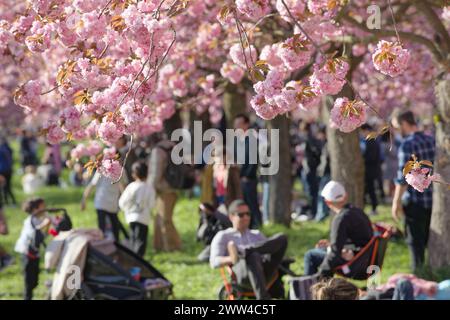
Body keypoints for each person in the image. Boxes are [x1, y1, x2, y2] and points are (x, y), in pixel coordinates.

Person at [209, 199, 288, 300]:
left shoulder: (256, 234)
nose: (246, 217)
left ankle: (246, 251)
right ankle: (263, 298)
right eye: (241, 215)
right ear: (231, 217)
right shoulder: (224, 236)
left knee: (282, 238)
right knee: (252, 256)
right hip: (242, 274)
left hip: (264, 270)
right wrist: (232, 258)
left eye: (248, 214)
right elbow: (214, 262)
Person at [391, 110, 435, 272]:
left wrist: (396, 203)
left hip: (416, 201)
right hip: (434, 201)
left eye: (396, 126)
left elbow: (402, 177)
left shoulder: (407, 144)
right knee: (431, 241)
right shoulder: (432, 139)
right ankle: (432, 270)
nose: (396, 131)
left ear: (404, 123)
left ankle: (419, 273)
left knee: (415, 243)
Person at [303, 181, 373, 277]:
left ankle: (309, 287)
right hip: (364, 259)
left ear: (327, 202)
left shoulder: (340, 219)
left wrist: (319, 275)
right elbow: (359, 240)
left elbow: (334, 255)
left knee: (310, 255)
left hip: (354, 265)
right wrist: (330, 245)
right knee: (323, 250)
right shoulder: (358, 212)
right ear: (345, 196)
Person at [148, 138, 182, 251]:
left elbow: (156, 173)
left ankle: (173, 246)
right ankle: (159, 245)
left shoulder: (158, 151)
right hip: (173, 187)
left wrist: (149, 188)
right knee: (160, 217)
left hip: (163, 189)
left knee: (164, 219)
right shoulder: (173, 147)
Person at [15, 198, 51, 300]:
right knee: (29, 282)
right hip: (27, 255)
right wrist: (44, 224)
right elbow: (33, 233)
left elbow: (41, 236)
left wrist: (48, 226)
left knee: (35, 281)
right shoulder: (30, 221)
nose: (45, 209)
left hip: (35, 254)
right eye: (42, 207)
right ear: (35, 209)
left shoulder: (38, 220)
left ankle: (30, 292)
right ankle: (27, 297)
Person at [119, 161, 155, 257]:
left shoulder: (131, 186)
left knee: (133, 238)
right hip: (143, 218)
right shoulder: (149, 188)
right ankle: (139, 259)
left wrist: (126, 209)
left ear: (134, 174)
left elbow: (122, 202)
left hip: (131, 216)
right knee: (141, 240)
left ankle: (132, 257)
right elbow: (152, 204)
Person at [233, 114, 262, 229]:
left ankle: (257, 224)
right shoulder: (238, 139)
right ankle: (248, 225)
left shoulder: (252, 139)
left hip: (248, 178)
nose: (236, 126)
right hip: (240, 176)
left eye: (239, 124)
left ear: (246, 124)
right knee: (243, 202)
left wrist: (247, 175)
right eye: (236, 124)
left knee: (252, 202)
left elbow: (252, 160)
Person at [81, 168, 126, 241]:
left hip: (111, 204)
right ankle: (103, 246)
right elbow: (92, 184)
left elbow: (122, 186)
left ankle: (115, 247)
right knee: (103, 229)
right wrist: (84, 199)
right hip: (102, 202)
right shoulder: (102, 169)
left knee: (114, 228)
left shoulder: (120, 169)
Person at [360, 124, 382, 215]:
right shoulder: (371, 140)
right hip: (371, 169)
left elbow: (372, 157)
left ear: (367, 131)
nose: (362, 134)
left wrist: (362, 159)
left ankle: (374, 208)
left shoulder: (371, 141)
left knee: (371, 189)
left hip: (371, 170)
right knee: (369, 189)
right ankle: (372, 207)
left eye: (363, 131)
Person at [0, 135, 16, 205]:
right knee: (8, 186)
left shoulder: (2, 149)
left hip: (2, 170)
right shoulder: (7, 148)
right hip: (8, 169)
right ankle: (12, 202)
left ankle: (7, 202)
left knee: (4, 187)